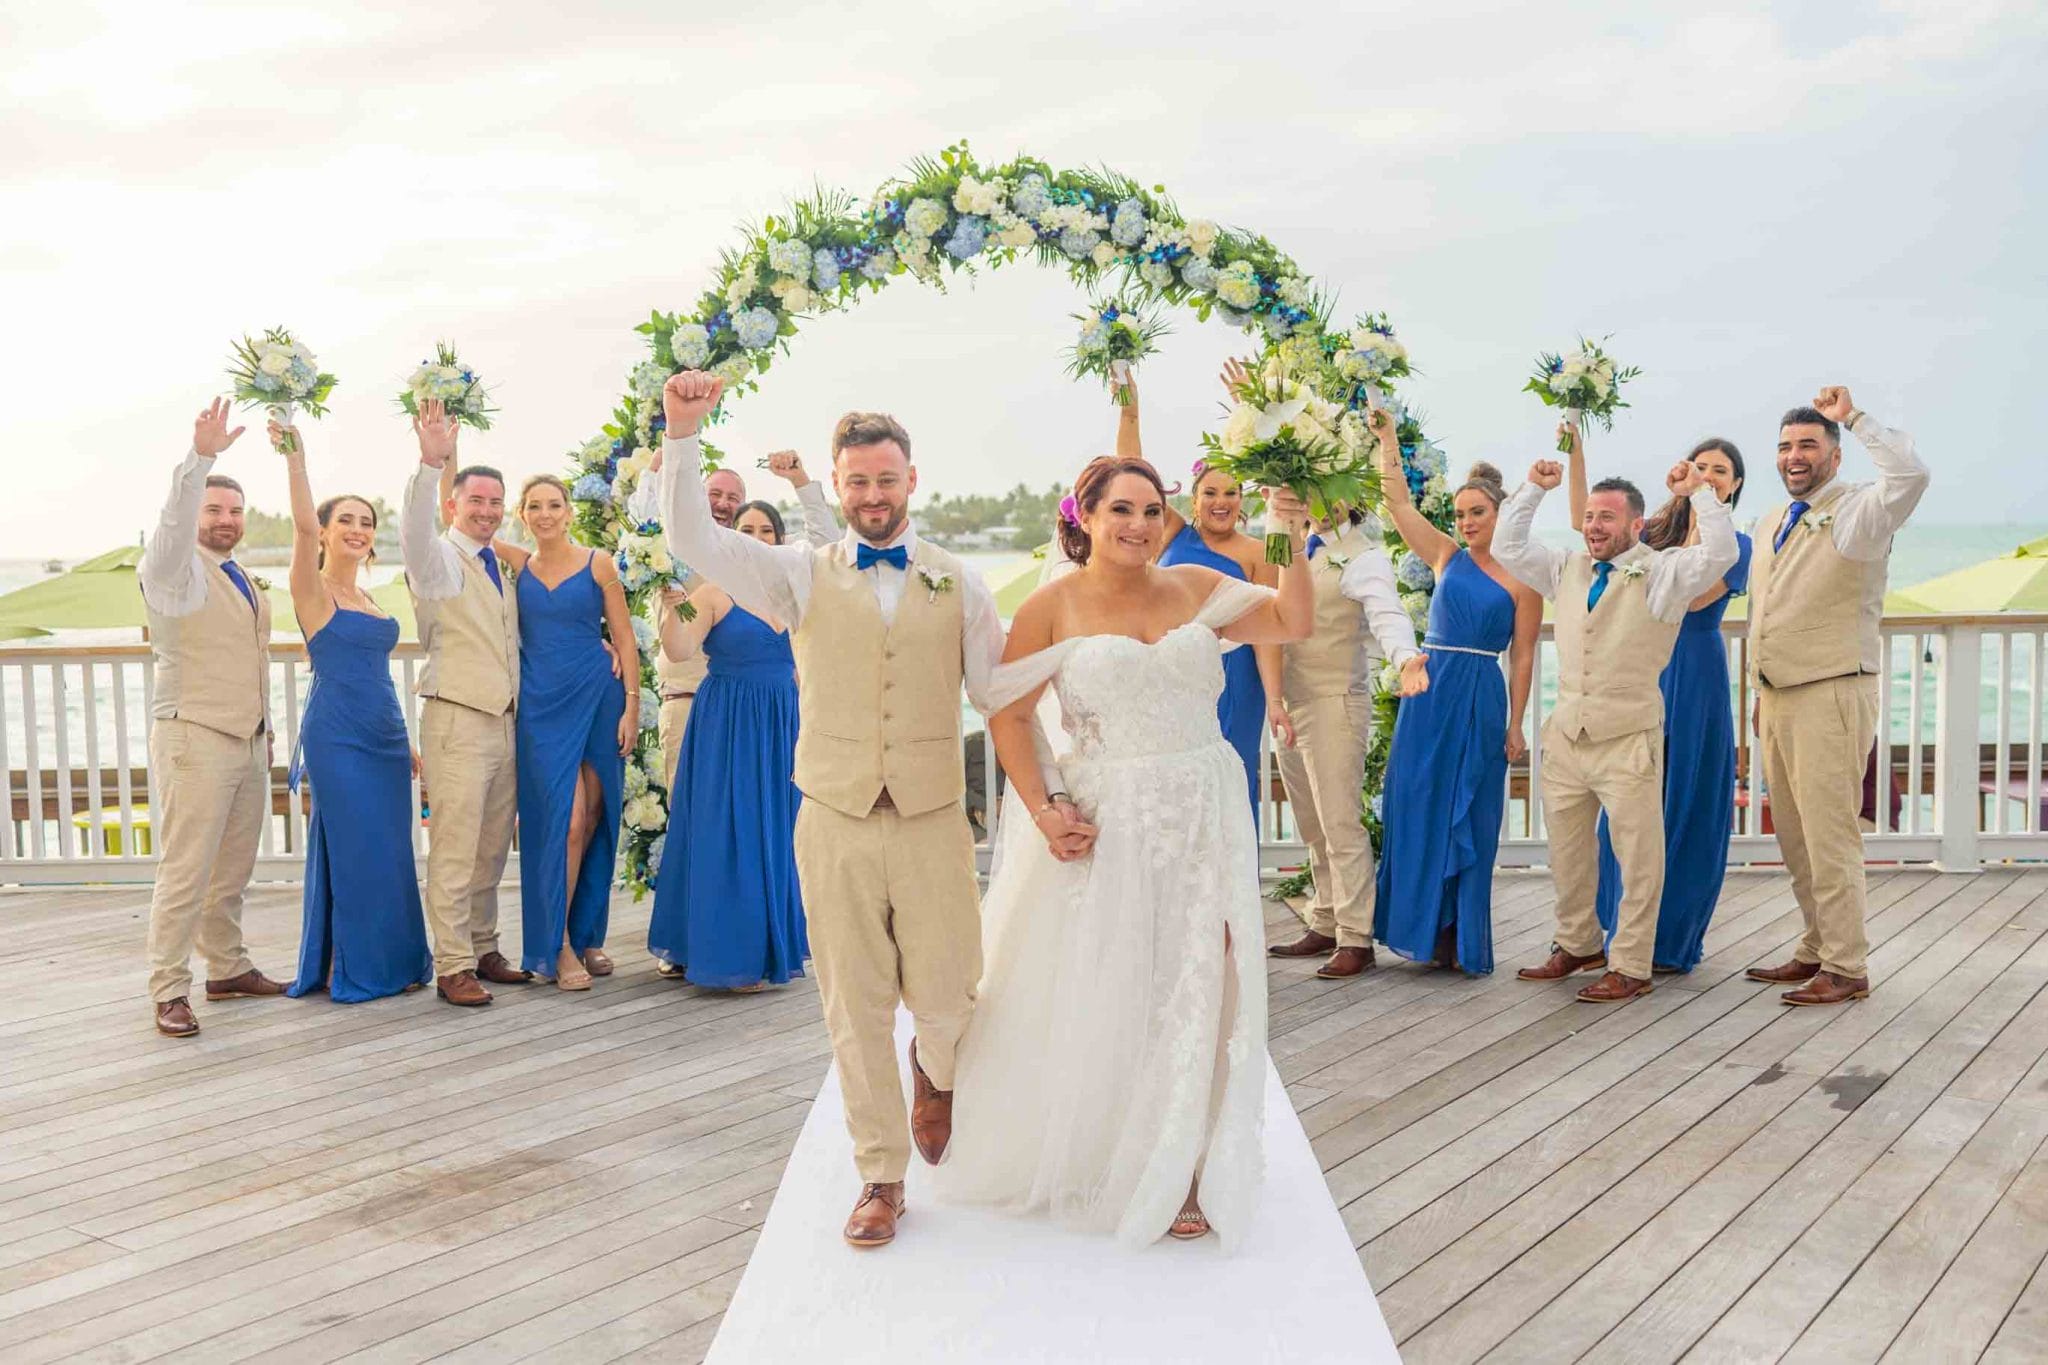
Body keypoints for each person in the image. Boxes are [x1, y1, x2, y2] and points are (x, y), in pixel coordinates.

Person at [657, 370, 1072, 1250]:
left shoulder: (957, 581)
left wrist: (1080, 649)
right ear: (837, 487)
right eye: (857, 482)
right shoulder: (794, 575)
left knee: (954, 993)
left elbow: (995, 689)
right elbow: (689, 531)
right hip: (834, 816)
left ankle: (937, 1065)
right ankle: (881, 1175)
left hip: (930, 816)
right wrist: (681, 434)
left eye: (886, 480)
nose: (873, 495)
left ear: (912, 481)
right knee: (854, 1005)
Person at [938, 455, 1314, 1248]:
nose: (1139, 526)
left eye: (1150, 510)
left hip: (1206, 801)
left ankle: (1190, 1152)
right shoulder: (1051, 606)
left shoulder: (1195, 589)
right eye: (1122, 511)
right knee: (1127, 969)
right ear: (1085, 516)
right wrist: (1044, 808)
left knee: (1210, 968)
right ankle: (1125, 1147)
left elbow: (1290, 620)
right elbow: (1008, 715)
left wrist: (1288, 534)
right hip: (1114, 811)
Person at [1494, 456, 1738, 1003]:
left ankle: (1632, 963)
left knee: (1638, 856)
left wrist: (1698, 491)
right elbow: (1508, 547)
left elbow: (1723, 552)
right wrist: (1533, 487)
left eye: (1606, 517)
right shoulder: (1566, 568)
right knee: (1568, 852)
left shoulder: (1666, 573)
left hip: (1628, 737)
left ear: (1635, 524)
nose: (1594, 526)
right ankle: (1579, 943)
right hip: (1567, 737)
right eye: (1588, 516)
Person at [1743, 387, 1928, 1006]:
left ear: (1835, 455)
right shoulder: (1772, 520)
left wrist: (1854, 417)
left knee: (1830, 835)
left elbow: (1911, 472)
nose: (1794, 457)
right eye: (1786, 446)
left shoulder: (1860, 513)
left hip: (1832, 692)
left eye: (1809, 445)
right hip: (1780, 697)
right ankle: (1817, 946)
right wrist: (1759, 687)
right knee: (1795, 836)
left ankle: (1847, 966)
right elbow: (1770, 608)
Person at [1565, 430, 1755, 974]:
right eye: (1700, 467)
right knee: (1622, 808)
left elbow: (1691, 598)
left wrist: (1701, 509)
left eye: (1719, 472)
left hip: (1693, 678)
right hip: (1641, 671)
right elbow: (1592, 526)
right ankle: (1614, 930)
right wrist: (1576, 452)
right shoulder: (1651, 534)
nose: (1708, 477)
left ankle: (1670, 941)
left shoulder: (1735, 547)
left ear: (1735, 484)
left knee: (1685, 804)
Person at [138, 398, 288, 1037]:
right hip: (194, 736)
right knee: (185, 867)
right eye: (213, 510)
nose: (225, 520)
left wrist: (266, 733)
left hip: (247, 739)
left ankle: (226, 967)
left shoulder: (241, 575)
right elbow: (173, 524)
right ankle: (169, 987)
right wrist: (200, 459)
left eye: (234, 511)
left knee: (232, 867)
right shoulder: (172, 570)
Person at [1370, 416, 1539, 975]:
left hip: (1479, 699)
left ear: (1501, 514)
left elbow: (1522, 657)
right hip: (1430, 693)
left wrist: (1516, 724)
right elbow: (1396, 505)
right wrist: (1387, 442)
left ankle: (1457, 936)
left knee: (1470, 813)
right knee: (1414, 801)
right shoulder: (1446, 556)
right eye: (1461, 513)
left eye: (1477, 513)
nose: (1465, 522)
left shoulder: (1524, 579)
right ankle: (1418, 926)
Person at [277, 419, 433, 1002]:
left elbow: (379, 676)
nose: (359, 529)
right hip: (337, 738)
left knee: (392, 851)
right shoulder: (311, 588)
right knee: (356, 850)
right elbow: (295, 525)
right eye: (346, 519)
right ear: (323, 531)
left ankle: (396, 963)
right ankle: (355, 968)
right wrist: (296, 456)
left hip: (386, 736)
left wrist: (407, 740)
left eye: (367, 522)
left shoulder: (368, 598)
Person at [647, 496, 807, 990]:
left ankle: (770, 946)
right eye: (746, 530)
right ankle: (728, 951)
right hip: (730, 724)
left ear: (778, 540)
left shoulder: (794, 593)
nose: (756, 539)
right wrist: (675, 611)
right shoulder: (713, 592)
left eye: (765, 531)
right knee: (730, 829)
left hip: (783, 722)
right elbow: (678, 650)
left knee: (780, 829)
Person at [1264, 497, 1426, 980]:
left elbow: (1388, 614)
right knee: (1312, 823)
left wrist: (1404, 657)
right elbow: (1268, 607)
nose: (1313, 498)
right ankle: (1327, 918)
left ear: (1349, 496)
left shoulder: (1364, 555)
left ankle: (1356, 937)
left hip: (1335, 701)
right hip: (1290, 703)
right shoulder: (1287, 545)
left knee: (1339, 823)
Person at [401, 399, 530, 1007]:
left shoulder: (498, 564)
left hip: (504, 723)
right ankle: (451, 962)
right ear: (454, 504)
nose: (486, 512)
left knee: (491, 845)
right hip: (456, 717)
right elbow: (413, 530)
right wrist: (430, 465)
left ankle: (482, 944)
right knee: (454, 845)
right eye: (475, 501)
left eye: (495, 504)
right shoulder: (438, 560)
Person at [1115, 373, 1281, 813]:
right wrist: (1129, 409)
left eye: (1231, 492)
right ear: (1194, 498)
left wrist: (1277, 701)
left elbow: (1271, 633)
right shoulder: (1170, 532)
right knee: (1172, 786)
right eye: (1210, 492)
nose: (1221, 501)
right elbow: (1130, 468)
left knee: (1231, 787)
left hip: (1237, 682)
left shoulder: (1260, 550)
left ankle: (1237, 882)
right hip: (1170, 675)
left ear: (1245, 499)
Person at [630, 451, 835, 803]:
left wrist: (800, 480)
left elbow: (826, 545)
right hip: (691, 703)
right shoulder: (679, 548)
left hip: (768, 713)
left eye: (732, 498)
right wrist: (654, 470)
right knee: (698, 813)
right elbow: (643, 524)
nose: (723, 504)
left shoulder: (777, 571)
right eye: (715, 495)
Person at [505, 474, 638, 989]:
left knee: (596, 821)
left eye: (554, 505)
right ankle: (555, 945)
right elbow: (458, 526)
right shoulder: (518, 564)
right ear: (522, 514)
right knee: (567, 824)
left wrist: (630, 709)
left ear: (568, 512)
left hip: (599, 699)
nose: (545, 514)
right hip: (542, 710)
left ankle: (586, 936)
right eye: (534, 506)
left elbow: (624, 640)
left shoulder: (597, 563)